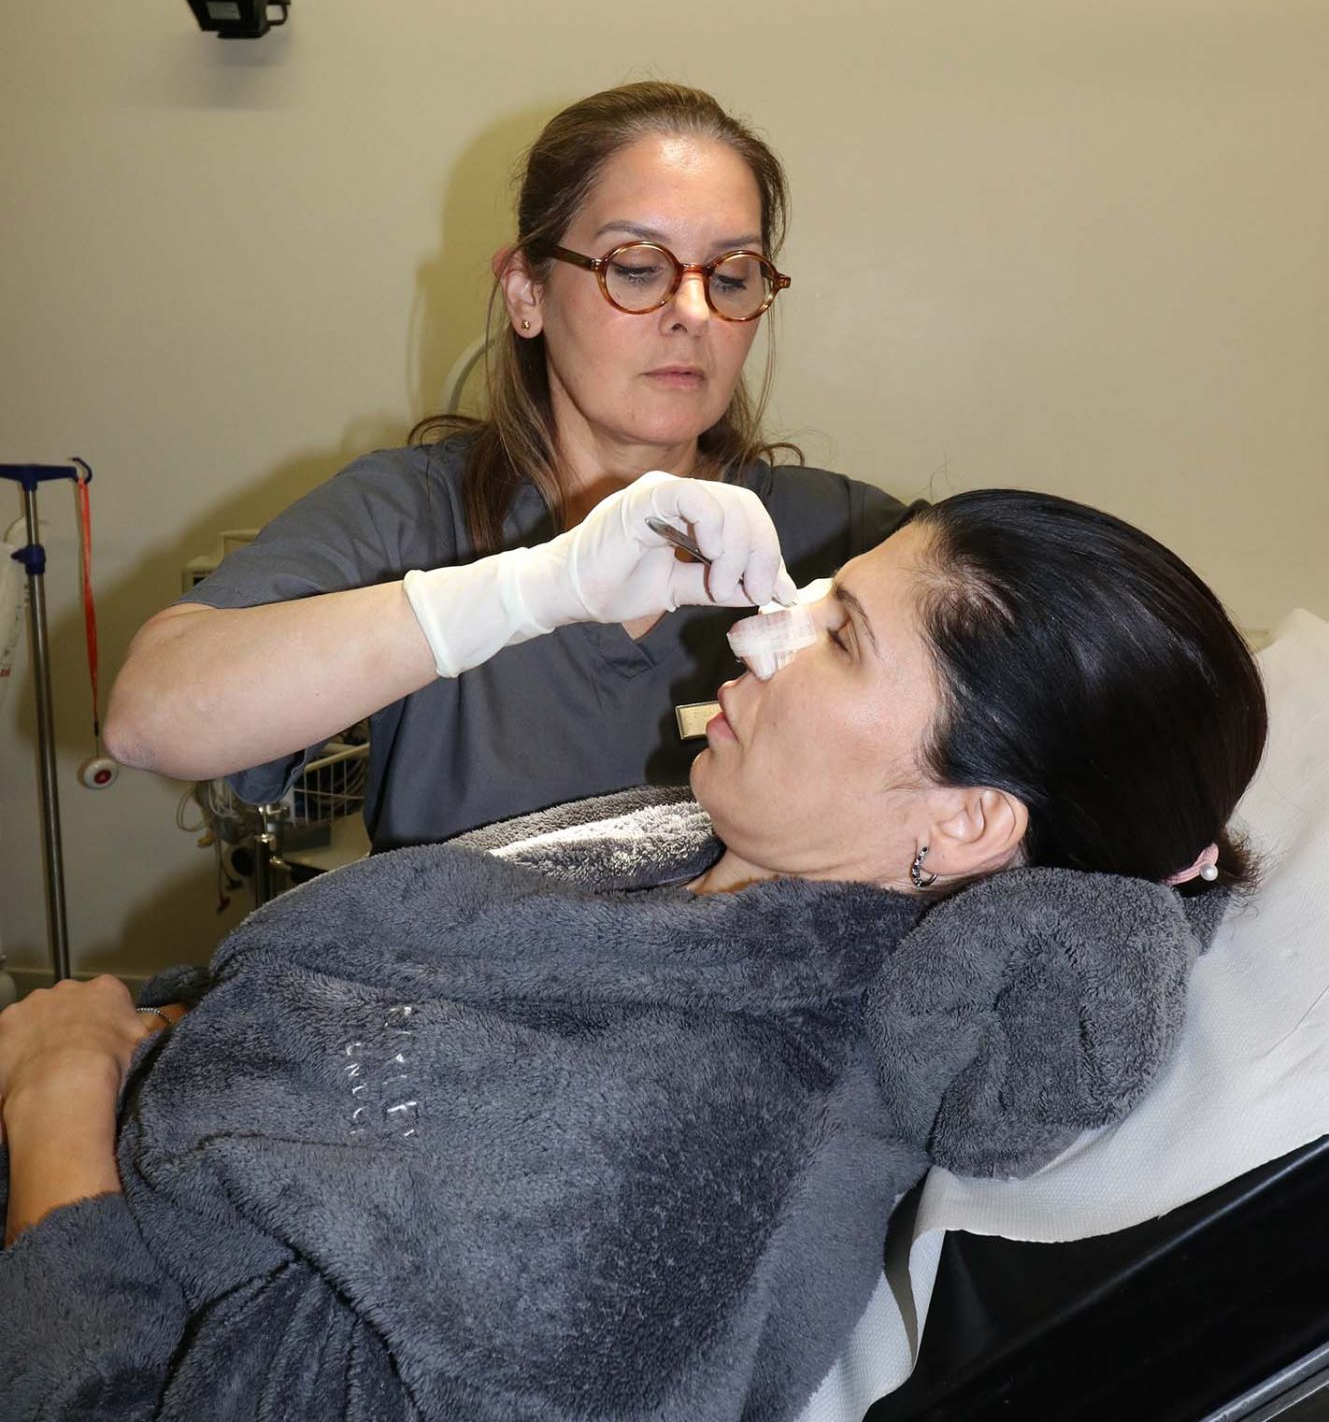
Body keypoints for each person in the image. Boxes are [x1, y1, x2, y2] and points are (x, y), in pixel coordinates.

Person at [0, 489, 1267, 1422]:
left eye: (841, 638)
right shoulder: (703, 846)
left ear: (968, 818)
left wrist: (54, 1110)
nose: (758, 637)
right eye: (817, 599)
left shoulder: (685, 1165)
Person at [103, 82, 908, 848]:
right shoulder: (410, 516)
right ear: (526, 293)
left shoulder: (851, 541)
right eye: (636, 267)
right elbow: (150, 721)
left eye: (731, 276)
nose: (693, 314)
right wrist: (533, 590)